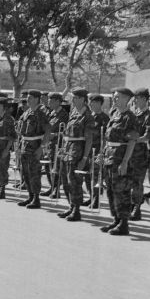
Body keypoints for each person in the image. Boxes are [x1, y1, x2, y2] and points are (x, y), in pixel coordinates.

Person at [100, 87, 139, 236]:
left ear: (126, 99)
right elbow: (108, 138)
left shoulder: (130, 117)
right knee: (110, 190)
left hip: (121, 158)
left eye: (117, 97)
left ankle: (124, 223)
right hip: (110, 157)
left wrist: (125, 162)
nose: (114, 99)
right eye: (114, 97)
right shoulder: (114, 114)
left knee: (122, 191)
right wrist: (102, 155)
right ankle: (116, 219)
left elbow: (132, 141)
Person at [56, 88, 95, 222]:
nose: (73, 100)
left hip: (77, 152)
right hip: (67, 150)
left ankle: (76, 210)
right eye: (73, 98)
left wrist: (84, 158)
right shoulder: (73, 113)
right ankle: (71, 206)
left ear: (83, 100)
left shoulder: (87, 116)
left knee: (75, 182)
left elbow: (89, 139)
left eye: (76, 98)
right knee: (66, 181)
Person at [16, 89, 50, 208]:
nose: (28, 100)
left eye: (30, 98)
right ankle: (30, 196)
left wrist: (42, 148)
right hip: (25, 146)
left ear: (36, 99)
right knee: (26, 173)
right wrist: (20, 145)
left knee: (35, 173)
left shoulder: (41, 113)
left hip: (35, 146)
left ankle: (36, 199)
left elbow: (48, 131)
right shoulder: (27, 112)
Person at [129, 88, 150, 221]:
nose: (135, 100)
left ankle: (137, 208)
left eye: (137, 97)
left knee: (137, 182)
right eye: (135, 97)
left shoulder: (149, 116)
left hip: (140, 154)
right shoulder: (133, 114)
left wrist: (135, 140)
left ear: (144, 99)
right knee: (129, 181)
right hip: (129, 153)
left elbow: (149, 136)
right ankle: (131, 205)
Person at [83, 94, 110, 207]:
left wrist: (102, 153)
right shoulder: (89, 116)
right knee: (88, 176)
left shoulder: (105, 118)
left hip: (97, 151)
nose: (90, 104)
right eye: (90, 102)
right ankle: (91, 196)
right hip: (87, 151)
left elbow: (106, 137)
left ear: (99, 103)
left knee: (96, 176)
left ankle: (96, 199)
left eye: (92, 102)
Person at [41, 92, 69, 198]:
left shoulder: (64, 115)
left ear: (58, 102)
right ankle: (52, 187)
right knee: (48, 167)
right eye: (49, 100)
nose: (49, 102)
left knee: (56, 168)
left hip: (58, 145)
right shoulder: (51, 113)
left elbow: (66, 132)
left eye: (51, 100)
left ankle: (57, 190)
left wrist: (56, 134)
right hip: (49, 145)